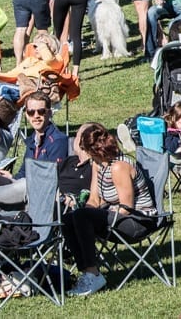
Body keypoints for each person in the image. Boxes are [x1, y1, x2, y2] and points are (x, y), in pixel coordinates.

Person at [65, 125, 159, 296]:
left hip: (138, 221)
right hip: (115, 216)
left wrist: (98, 219)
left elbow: (126, 207)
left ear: (91, 150)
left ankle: (93, 274)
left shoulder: (119, 167)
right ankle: (87, 272)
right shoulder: (98, 164)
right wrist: (84, 215)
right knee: (70, 219)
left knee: (82, 217)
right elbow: (94, 199)